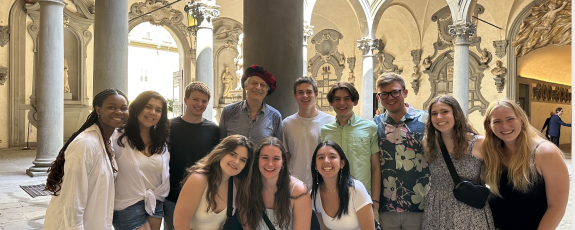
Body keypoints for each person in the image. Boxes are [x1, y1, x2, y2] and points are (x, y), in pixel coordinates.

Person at [43, 89, 128, 229]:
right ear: (98, 109)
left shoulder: (108, 140)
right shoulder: (85, 144)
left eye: (124, 108)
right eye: (112, 107)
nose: (119, 112)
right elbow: (72, 201)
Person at [483, 99, 569, 230]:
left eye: (510, 119)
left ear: (522, 121)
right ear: (489, 125)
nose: (505, 126)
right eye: (497, 121)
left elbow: (557, 207)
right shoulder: (492, 152)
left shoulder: (544, 153)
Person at [421, 95, 494, 229]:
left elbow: (493, 178)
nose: (439, 117)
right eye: (434, 114)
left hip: (470, 210)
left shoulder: (479, 143)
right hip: (437, 209)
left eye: (445, 112)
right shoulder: (429, 143)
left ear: (456, 114)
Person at [373, 73, 429, 230]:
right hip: (386, 206)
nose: (390, 97)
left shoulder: (426, 120)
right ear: (379, 98)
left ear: (405, 92)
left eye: (395, 92)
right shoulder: (375, 125)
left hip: (419, 203)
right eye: (384, 94)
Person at [163, 82, 220, 230]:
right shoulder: (169, 127)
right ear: (186, 100)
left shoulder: (213, 129)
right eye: (195, 99)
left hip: (204, 197)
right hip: (173, 197)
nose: (200, 104)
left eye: (204, 101)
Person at [112, 91, 170, 230]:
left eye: (158, 110)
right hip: (127, 203)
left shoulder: (162, 141)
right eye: (148, 106)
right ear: (137, 107)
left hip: (156, 201)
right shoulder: (117, 137)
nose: (152, 112)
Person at [320, 82, 381, 213]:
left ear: (355, 102)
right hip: (333, 197)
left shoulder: (369, 128)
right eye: (337, 99)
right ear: (331, 103)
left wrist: (375, 199)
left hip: (364, 197)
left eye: (347, 98)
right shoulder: (325, 131)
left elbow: (375, 166)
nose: (342, 103)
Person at [173, 135, 253, 230]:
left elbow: (246, 222)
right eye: (233, 154)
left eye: (243, 160)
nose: (236, 162)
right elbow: (179, 224)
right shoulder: (198, 179)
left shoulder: (237, 183)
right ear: (222, 152)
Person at [238, 137, 312, 230]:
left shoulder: (298, 191)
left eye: (276, 158)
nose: (270, 164)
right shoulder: (247, 188)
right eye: (265, 157)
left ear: (283, 162)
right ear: (257, 160)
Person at [311, 140, 376, 230]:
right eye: (321, 157)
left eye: (332, 157)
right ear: (315, 166)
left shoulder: (356, 189)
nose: (326, 161)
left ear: (342, 163)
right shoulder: (314, 195)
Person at [283, 76, 334, 188]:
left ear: (316, 95)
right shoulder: (287, 124)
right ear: (295, 96)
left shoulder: (330, 122)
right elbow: (286, 156)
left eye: (309, 92)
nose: (305, 95)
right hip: (295, 182)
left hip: (322, 182)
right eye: (300, 92)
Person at [220, 64, 283, 147]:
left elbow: (278, 149)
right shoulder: (228, 112)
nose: (258, 87)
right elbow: (220, 146)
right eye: (254, 83)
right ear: (246, 86)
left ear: (267, 91)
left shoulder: (275, 116)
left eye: (263, 85)